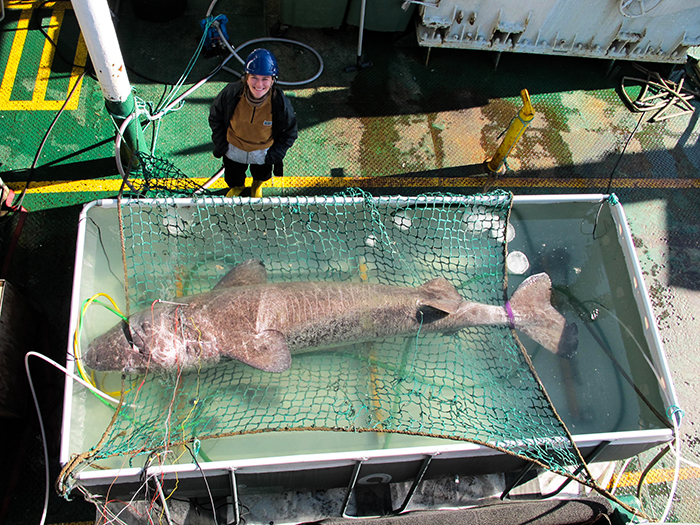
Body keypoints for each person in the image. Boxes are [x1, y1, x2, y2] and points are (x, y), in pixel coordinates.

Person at [209, 49, 298, 198]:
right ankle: (238, 187)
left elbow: (290, 132)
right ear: (246, 78)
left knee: (262, 174)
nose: (259, 84)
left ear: (273, 80)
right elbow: (215, 117)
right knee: (233, 176)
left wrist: (273, 155)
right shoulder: (231, 93)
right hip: (233, 149)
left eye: (265, 79)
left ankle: (257, 185)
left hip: (263, 153)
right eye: (254, 77)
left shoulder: (279, 102)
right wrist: (223, 145)